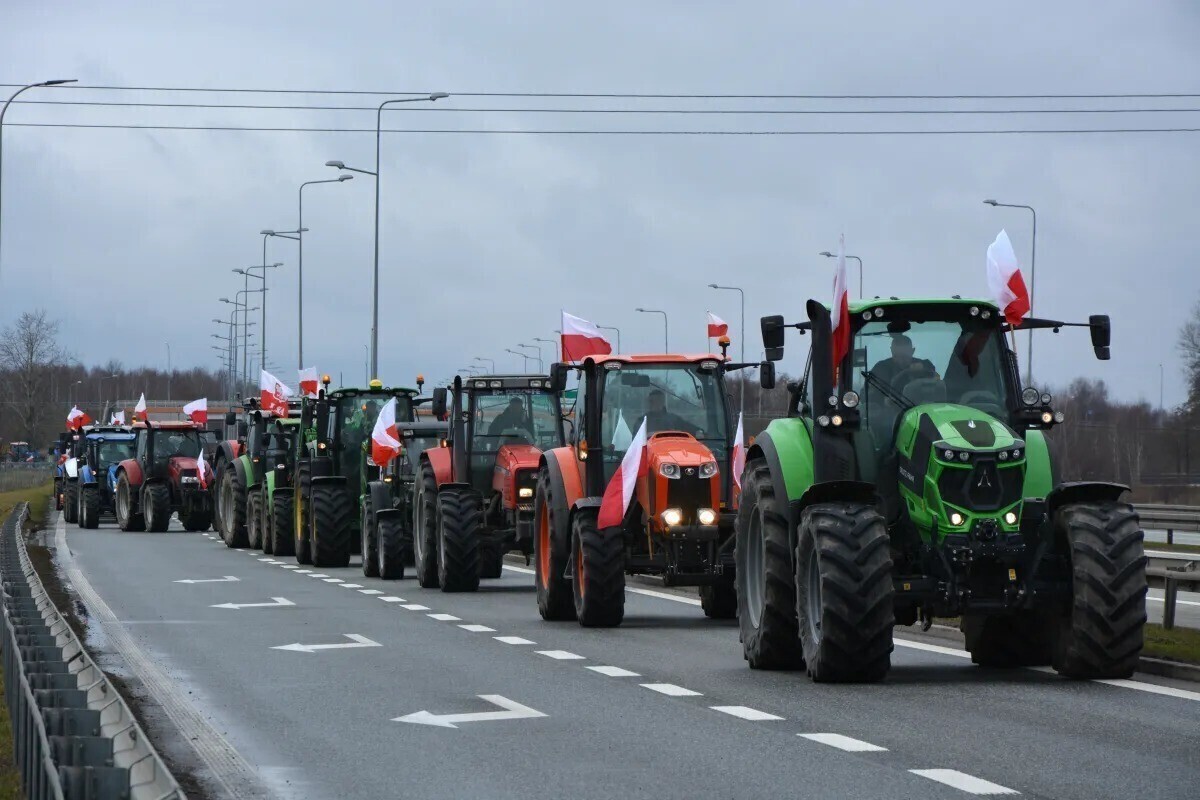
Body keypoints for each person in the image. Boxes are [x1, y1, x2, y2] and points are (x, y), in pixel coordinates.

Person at [870, 334, 937, 386]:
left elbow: (937, 382)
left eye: (905, 357)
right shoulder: (880, 369)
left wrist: (923, 369)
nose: (901, 361)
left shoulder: (925, 366)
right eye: (896, 356)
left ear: (912, 351)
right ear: (891, 350)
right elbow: (868, 394)